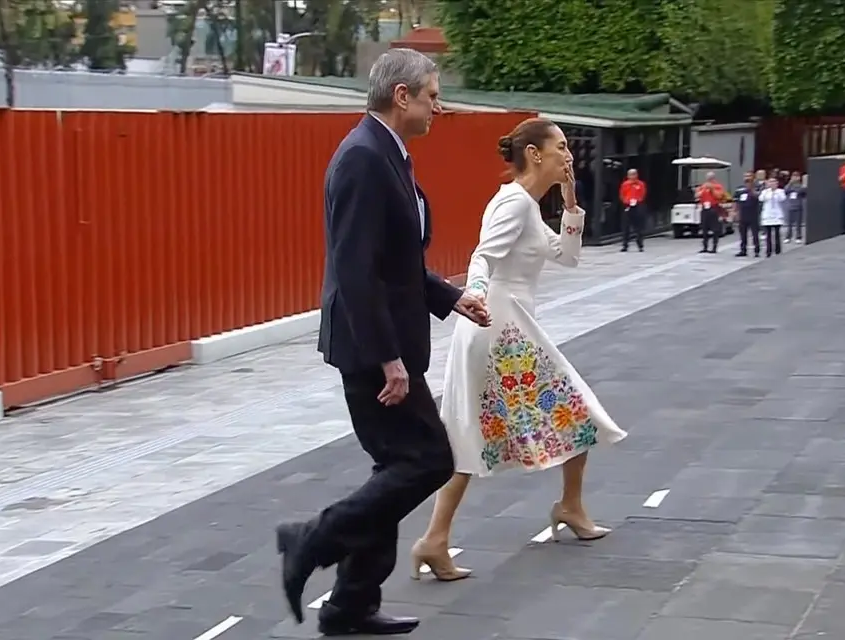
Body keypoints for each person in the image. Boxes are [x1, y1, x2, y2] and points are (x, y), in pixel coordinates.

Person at [274, 48, 491, 637]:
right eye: (432, 96)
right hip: (371, 349)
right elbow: (355, 268)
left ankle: (350, 606)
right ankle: (310, 540)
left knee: (397, 466)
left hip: (385, 341)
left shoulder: (388, 153)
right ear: (402, 97)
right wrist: (387, 359)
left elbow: (398, 260)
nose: (438, 107)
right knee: (427, 460)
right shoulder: (364, 158)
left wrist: (449, 298)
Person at [411, 118, 628, 579]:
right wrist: (473, 297)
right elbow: (482, 256)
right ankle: (564, 507)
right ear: (535, 154)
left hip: (505, 326)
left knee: (475, 432)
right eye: (562, 147)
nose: (568, 155)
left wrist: (570, 201)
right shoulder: (513, 203)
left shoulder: (527, 206)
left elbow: (568, 255)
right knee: (569, 411)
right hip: (498, 327)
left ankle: (437, 539)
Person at [696, 171, 725, 253]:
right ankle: (705, 247)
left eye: (710, 177)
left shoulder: (718, 186)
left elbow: (719, 196)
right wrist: (700, 191)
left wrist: (712, 189)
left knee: (715, 229)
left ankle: (714, 247)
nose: (709, 179)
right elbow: (697, 195)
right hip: (705, 208)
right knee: (704, 228)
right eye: (708, 177)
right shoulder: (703, 186)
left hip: (713, 209)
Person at [618, 168, 647, 252]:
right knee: (626, 226)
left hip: (637, 205)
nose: (632, 176)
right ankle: (625, 245)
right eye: (631, 174)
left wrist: (638, 201)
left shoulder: (641, 184)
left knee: (638, 226)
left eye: (634, 174)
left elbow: (643, 194)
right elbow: (622, 194)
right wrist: (625, 202)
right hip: (627, 205)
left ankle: (640, 245)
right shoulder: (625, 184)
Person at [733, 172, 761, 257]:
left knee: (755, 234)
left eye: (749, 176)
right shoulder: (739, 189)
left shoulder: (757, 188)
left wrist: (751, 189)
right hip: (743, 214)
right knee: (743, 234)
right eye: (745, 176)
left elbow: (758, 197)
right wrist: (735, 212)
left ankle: (756, 250)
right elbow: (736, 201)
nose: (747, 178)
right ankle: (743, 250)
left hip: (753, 214)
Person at [758, 176, 787, 257]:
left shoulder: (780, 191)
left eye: (774, 182)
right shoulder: (765, 191)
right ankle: (768, 251)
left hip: (777, 214)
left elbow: (782, 199)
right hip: (767, 214)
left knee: (777, 234)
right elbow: (761, 199)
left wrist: (775, 192)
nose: (772, 183)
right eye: (771, 182)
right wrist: (768, 191)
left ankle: (778, 250)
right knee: (768, 234)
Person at [785, 171, 806, 243]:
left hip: (798, 206)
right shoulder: (789, 185)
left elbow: (801, 190)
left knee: (798, 224)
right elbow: (786, 190)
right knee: (789, 223)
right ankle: (788, 237)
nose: (795, 178)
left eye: (796, 176)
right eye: (793, 176)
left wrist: (794, 189)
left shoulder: (801, 185)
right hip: (790, 206)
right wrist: (790, 183)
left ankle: (798, 237)